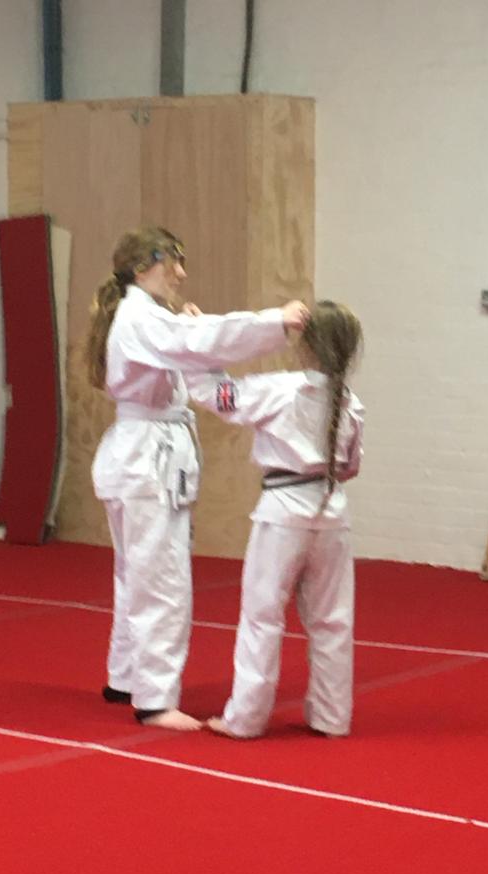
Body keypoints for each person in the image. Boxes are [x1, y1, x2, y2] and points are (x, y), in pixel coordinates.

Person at [87, 225, 310, 731]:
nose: (182, 275)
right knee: (162, 581)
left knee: (135, 575)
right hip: (146, 462)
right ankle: (155, 699)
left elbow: (194, 344)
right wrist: (275, 321)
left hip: (136, 458)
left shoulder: (142, 318)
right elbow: (205, 339)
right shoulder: (142, 318)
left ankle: (126, 677)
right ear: (143, 267)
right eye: (174, 263)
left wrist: (192, 330)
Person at [186, 299, 365, 738]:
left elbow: (215, 395)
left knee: (262, 617)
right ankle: (332, 716)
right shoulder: (352, 403)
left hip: (283, 512)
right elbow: (350, 467)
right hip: (331, 513)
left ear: (305, 346)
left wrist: (200, 346)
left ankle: (246, 718)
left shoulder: (279, 389)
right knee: (332, 621)